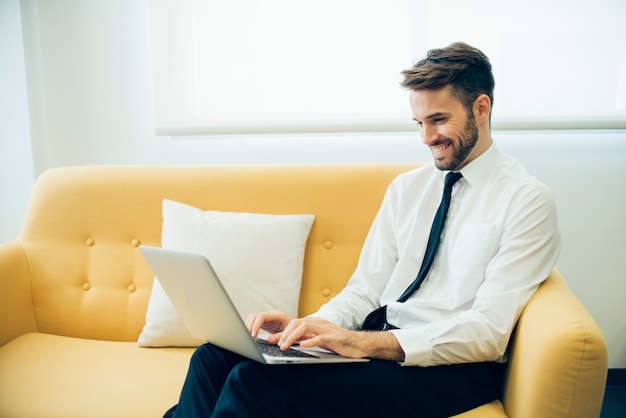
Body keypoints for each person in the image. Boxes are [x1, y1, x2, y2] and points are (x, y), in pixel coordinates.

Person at [164, 42, 560, 418]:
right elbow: (365, 290)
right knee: (212, 357)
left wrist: (361, 342)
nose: (427, 138)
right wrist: (311, 330)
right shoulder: (407, 189)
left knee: (254, 385)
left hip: (447, 367)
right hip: (375, 346)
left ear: (481, 108)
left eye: (439, 120)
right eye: (420, 123)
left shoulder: (526, 200)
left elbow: (488, 331)